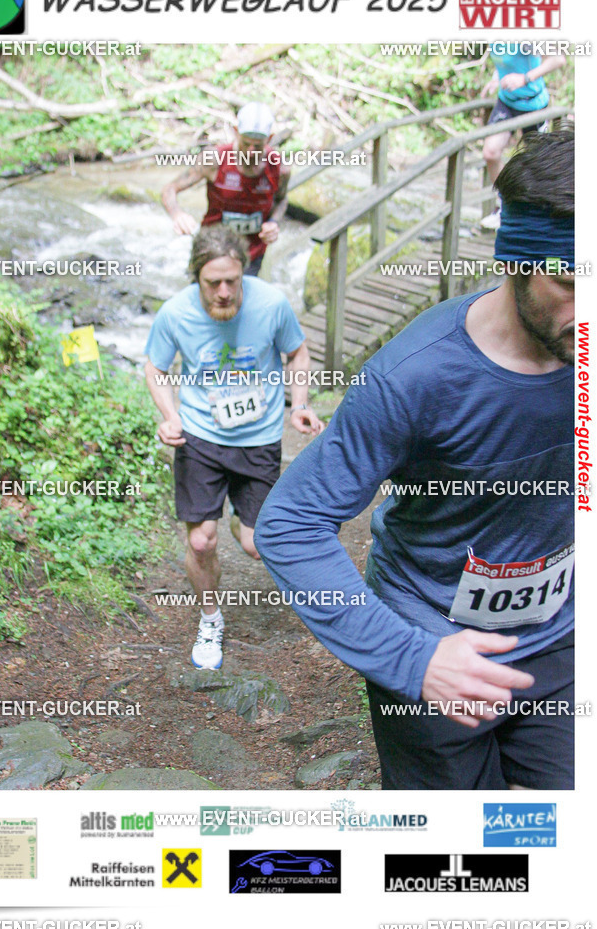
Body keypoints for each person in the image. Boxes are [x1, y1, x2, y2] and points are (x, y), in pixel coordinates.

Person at [255, 129, 575, 790]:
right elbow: (290, 524)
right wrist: (411, 660)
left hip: (562, 645)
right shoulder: (413, 377)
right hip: (431, 648)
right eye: (568, 280)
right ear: (516, 260)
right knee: (457, 864)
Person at [144, 224, 323, 669]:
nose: (224, 292)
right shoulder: (175, 313)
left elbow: (297, 353)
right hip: (201, 437)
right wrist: (170, 415)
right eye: (212, 283)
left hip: (258, 438)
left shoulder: (271, 304)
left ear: (244, 273)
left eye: (232, 281)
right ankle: (210, 619)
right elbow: (155, 367)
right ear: (196, 278)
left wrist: (298, 403)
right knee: (202, 542)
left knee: (256, 544)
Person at [161, 102, 290, 276]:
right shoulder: (214, 159)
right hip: (210, 249)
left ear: (270, 138)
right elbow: (169, 189)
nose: (251, 151)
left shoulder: (279, 168)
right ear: (236, 132)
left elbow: (282, 200)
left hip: (251, 254)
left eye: (258, 146)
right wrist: (177, 215)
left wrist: (274, 222)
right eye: (246, 143)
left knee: (241, 300)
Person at [480, 42, 565, 227]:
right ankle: (506, 206)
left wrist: (524, 78)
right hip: (507, 102)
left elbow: (558, 58)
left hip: (533, 104)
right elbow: (506, 62)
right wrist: (497, 78)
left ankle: (538, 217)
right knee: (490, 153)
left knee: (537, 165)